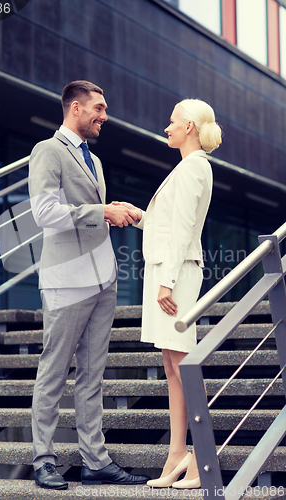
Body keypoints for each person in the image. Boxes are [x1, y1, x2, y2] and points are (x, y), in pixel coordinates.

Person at [28, 80, 149, 490]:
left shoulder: (94, 162)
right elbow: (45, 212)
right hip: (66, 281)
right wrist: (102, 210)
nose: (105, 115)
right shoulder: (48, 151)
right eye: (99, 107)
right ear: (75, 108)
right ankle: (43, 460)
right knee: (54, 370)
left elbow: (94, 214)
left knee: (92, 374)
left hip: (102, 279)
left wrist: (117, 210)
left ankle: (94, 460)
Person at [119, 99, 222, 489]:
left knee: (182, 366)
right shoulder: (187, 167)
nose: (167, 127)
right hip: (168, 271)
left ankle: (200, 456)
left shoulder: (195, 167)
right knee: (171, 365)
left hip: (175, 275)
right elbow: (168, 225)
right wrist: (140, 214)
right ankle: (178, 451)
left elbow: (183, 231)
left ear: (190, 127)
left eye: (172, 121)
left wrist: (168, 283)